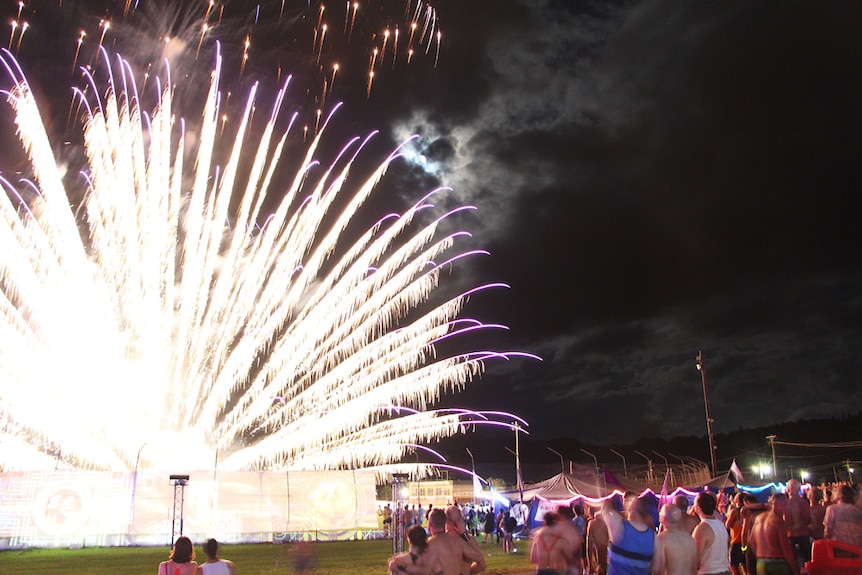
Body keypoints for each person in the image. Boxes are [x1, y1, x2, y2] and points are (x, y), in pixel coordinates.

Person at [389, 507, 485, 575]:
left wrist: (399, 565)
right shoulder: (464, 539)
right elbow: (481, 562)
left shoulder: (431, 544)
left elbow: (422, 569)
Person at [602, 493, 656, 575]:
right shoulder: (621, 516)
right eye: (624, 500)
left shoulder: (645, 518)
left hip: (640, 557)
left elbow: (652, 537)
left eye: (627, 501)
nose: (625, 503)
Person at [748, 493, 798, 575]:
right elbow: (786, 550)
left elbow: (751, 541)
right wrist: (795, 571)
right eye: (785, 504)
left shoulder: (759, 518)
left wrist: (759, 555)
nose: (788, 507)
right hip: (777, 563)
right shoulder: (778, 522)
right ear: (777, 504)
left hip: (761, 562)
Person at [653, 503, 698, 575]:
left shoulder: (662, 539)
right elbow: (694, 567)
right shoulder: (689, 538)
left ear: (663, 518)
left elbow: (658, 569)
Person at [691, 492, 730, 575]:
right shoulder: (720, 524)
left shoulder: (702, 528)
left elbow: (695, 557)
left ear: (698, 508)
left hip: (709, 571)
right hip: (724, 570)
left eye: (694, 504)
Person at [783, 479, 810, 568]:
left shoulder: (786, 504)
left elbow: (786, 521)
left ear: (789, 489)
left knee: (793, 564)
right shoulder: (805, 503)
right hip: (804, 534)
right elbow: (807, 519)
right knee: (807, 563)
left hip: (791, 535)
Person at [724, 493, 746, 575]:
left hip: (736, 541)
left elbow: (727, 525)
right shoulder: (749, 510)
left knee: (733, 564)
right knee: (744, 563)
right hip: (747, 541)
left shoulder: (735, 512)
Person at [586, 506, 609, 575]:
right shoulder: (615, 521)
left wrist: (590, 565)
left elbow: (588, 546)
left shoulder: (592, 523)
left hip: (601, 558)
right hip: (614, 559)